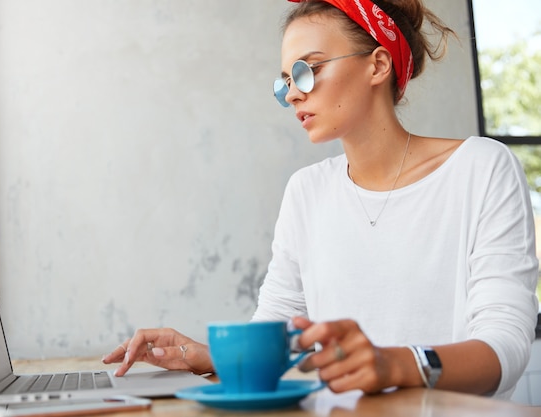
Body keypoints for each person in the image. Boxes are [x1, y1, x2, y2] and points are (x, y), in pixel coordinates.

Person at [103, 0, 539, 399]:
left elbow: (505, 347)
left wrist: (395, 363)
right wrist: (202, 354)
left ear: (378, 65)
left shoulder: (481, 168)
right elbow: (279, 328)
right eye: (286, 82)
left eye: (308, 70)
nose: (293, 93)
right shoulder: (307, 191)